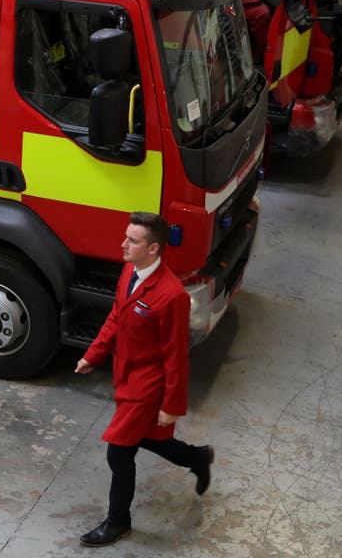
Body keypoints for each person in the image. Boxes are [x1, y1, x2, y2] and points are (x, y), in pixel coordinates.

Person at [74, 211, 214, 546]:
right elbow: (116, 317)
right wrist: (92, 354)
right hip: (127, 374)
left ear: (153, 249)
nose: (123, 244)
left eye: (132, 240)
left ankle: (118, 521)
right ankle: (197, 457)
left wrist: (172, 405)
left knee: (119, 453)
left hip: (148, 385)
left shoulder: (171, 296)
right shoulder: (130, 271)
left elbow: (176, 356)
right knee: (151, 439)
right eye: (126, 237)